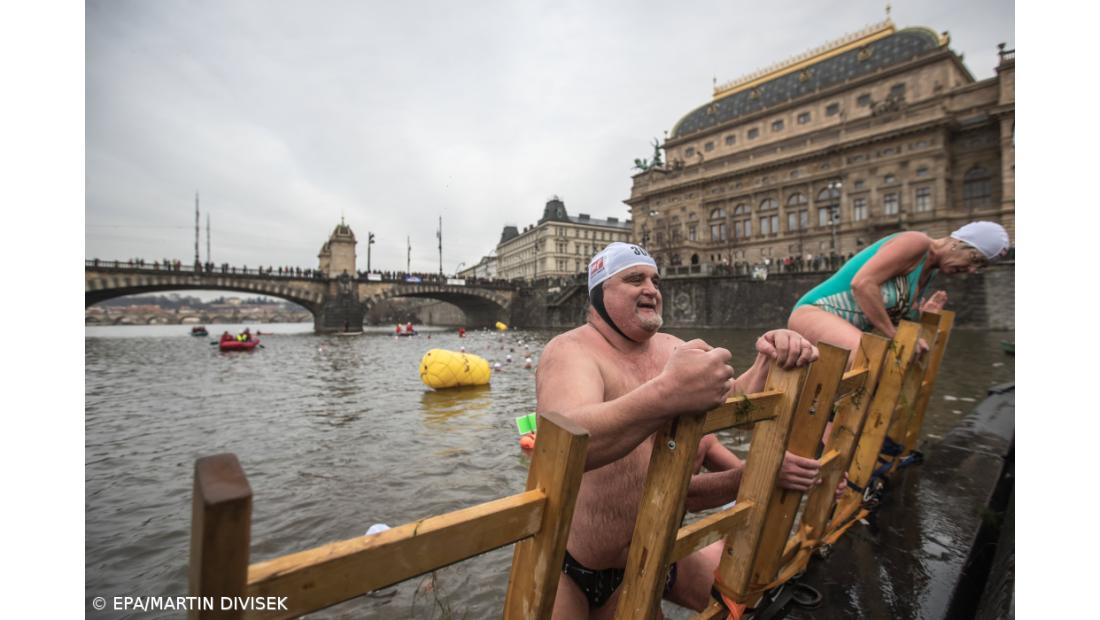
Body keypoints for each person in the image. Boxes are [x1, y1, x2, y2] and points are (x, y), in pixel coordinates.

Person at [537, 242, 828, 618]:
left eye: (655, 280)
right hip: (574, 569)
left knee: (752, 596)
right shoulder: (570, 350)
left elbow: (722, 406)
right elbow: (566, 445)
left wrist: (768, 360)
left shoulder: (673, 347)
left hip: (655, 553)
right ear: (599, 293)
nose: (652, 289)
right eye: (634, 279)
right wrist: (667, 393)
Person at [788, 221, 1010, 364]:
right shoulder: (917, 242)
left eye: (979, 267)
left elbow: (896, 320)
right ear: (958, 243)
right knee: (871, 361)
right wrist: (894, 335)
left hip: (840, 329)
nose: (971, 270)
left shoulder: (928, 272)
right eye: (974, 259)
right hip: (815, 312)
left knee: (894, 361)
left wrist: (922, 318)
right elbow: (863, 284)